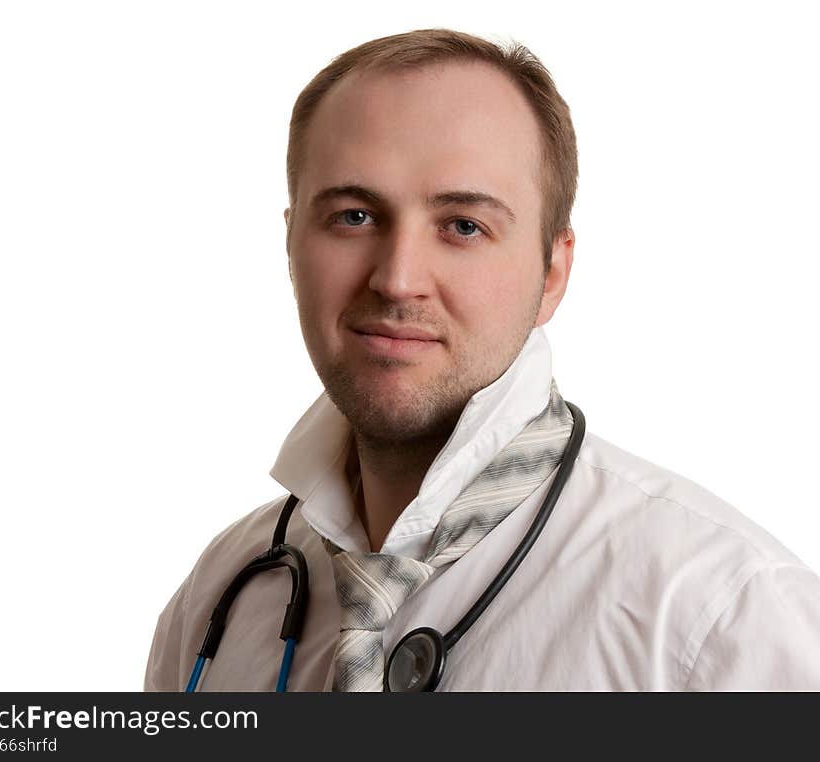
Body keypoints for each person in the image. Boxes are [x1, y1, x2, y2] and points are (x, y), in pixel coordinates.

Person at [144, 28, 820, 691]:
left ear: (552, 272)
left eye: (464, 225)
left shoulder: (727, 620)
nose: (398, 278)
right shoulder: (218, 598)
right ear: (290, 243)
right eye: (354, 216)